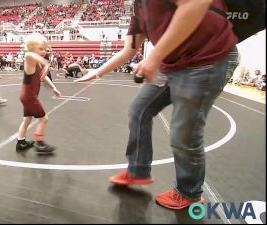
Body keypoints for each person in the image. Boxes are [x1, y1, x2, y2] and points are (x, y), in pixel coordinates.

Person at [76, 0, 238, 210]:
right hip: (172, 64)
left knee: (183, 133)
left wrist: (154, 57)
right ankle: (138, 170)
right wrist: (96, 72)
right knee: (139, 109)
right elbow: (129, 50)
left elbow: (196, 3)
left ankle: (189, 193)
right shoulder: (138, 8)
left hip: (207, 60)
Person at [16, 37, 61, 154]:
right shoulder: (29, 58)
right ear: (32, 49)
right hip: (30, 96)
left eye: (45, 49)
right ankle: (40, 144)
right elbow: (29, 55)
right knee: (44, 119)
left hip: (27, 95)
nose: (44, 51)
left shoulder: (37, 63)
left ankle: (21, 142)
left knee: (27, 119)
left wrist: (54, 87)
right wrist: (45, 63)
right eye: (40, 49)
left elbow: (44, 76)